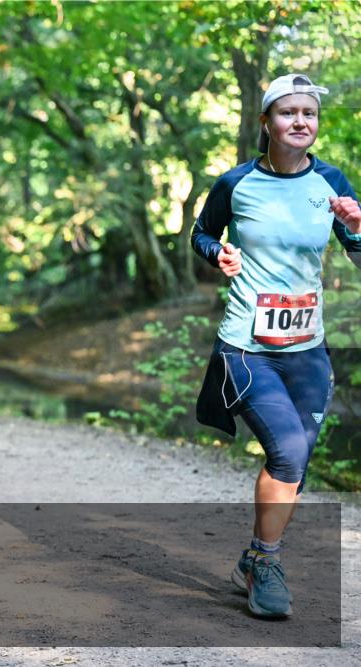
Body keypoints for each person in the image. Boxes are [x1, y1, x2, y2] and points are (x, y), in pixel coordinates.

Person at [192, 73, 361, 618]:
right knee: (287, 451)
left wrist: (357, 229)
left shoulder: (332, 181)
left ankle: (252, 557)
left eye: (309, 113)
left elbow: (358, 253)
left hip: (307, 348)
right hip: (247, 346)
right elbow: (201, 233)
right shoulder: (236, 182)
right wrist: (217, 254)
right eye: (288, 112)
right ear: (266, 122)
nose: (300, 121)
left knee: (297, 462)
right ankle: (266, 563)